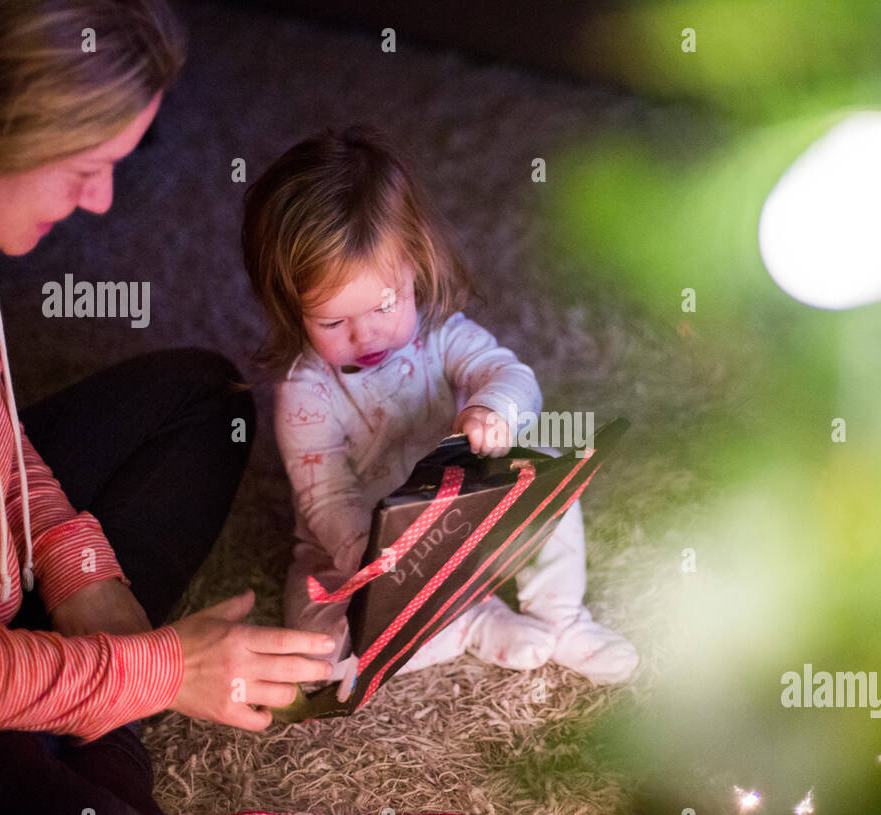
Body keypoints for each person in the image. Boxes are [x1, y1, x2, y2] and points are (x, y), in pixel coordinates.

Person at [0, 0, 333, 815]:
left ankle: (73, 710)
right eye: (84, 167)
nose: (102, 203)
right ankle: (98, 755)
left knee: (209, 400)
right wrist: (162, 673)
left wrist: (80, 567)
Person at [242, 126, 639, 687]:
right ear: (290, 310)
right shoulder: (304, 388)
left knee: (549, 478)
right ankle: (468, 623)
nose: (366, 333)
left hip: (464, 509)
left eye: (384, 304)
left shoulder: (439, 333)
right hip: (364, 551)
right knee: (321, 665)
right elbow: (326, 496)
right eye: (332, 321)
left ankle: (561, 618)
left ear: (416, 265)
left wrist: (493, 411)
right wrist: (377, 559)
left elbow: (509, 374)